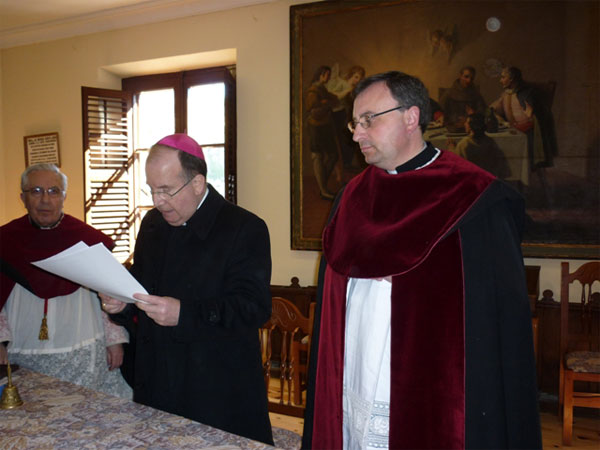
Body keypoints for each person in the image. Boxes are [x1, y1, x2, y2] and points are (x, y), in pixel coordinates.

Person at [302, 71, 541, 449]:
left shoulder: (474, 197)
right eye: (355, 122)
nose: (356, 134)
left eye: (369, 120)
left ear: (411, 117)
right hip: (357, 364)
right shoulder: (350, 197)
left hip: (432, 382)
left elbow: (494, 314)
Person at [100, 134, 273, 445]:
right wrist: (121, 304)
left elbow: (253, 307)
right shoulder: (152, 224)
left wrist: (185, 314)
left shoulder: (244, 228)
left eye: (166, 190)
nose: (157, 201)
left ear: (197, 184)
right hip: (157, 381)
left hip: (216, 387)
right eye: (151, 190)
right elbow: (141, 290)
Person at [0, 163, 131, 398]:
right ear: (23, 197)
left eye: (54, 191)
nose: (45, 200)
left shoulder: (87, 239)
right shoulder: (6, 241)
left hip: (82, 343)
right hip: (24, 344)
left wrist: (115, 340)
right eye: (36, 191)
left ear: (64, 196)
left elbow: (109, 293)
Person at [490, 66, 556, 171]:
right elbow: (493, 109)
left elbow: (534, 117)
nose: (500, 80)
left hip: (529, 133)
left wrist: (520, 125)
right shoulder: (506, 94)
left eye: (503, 77)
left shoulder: (528, 93)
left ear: (511, 79)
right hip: (514, 130)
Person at [306, 65, 340, 200]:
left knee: (332, 155)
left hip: (324, 126)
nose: (328, 77)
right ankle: (323, 189)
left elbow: (335, 99)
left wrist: (327, 102)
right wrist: (326, 104)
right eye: (327, 75)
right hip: (316, 127)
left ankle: (322, 186)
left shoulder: (321, 89)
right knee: (318, 157)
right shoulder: (313, 91)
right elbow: (314, 112)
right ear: (321, 74)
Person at [447, 112, 511, 180]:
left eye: (467, 122)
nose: (465, 124)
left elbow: (455, 164)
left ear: (471, 126)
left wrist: (451, 148)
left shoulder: (464, 144)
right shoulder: (490, 141)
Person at [439, 65, 487, 132]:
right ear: (460, 76)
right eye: (466, 77)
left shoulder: (476, 94)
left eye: (471, 78)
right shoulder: (449, 94)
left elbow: (483, 112)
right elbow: (440, 112)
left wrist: (470, 118)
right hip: (452, 129)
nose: (468, 80)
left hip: (472, 129)